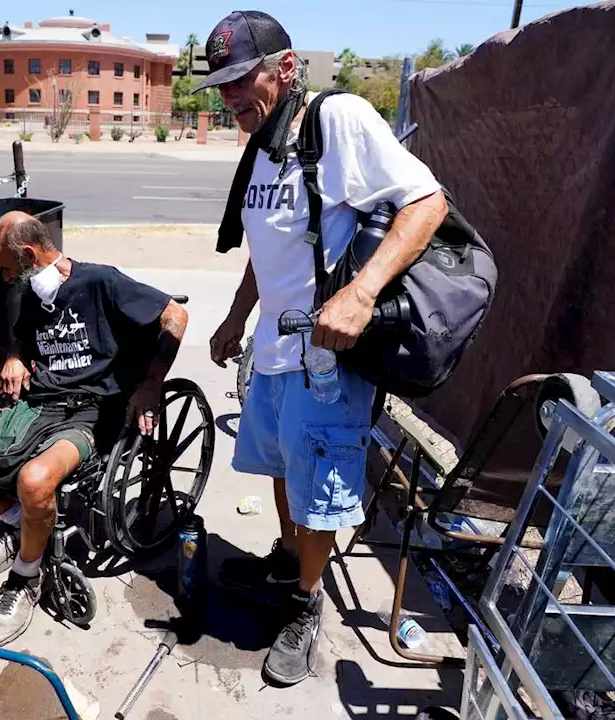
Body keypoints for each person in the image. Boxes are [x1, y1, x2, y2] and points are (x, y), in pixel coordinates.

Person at [199, 11, 448, 686]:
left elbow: (426, 203)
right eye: (217, 86)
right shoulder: (263, 138)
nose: (227, 100)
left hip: (326, 364)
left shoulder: (337, 120)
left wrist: (361, 293)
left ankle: (306, 605)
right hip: (275, 354)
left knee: (319, 491)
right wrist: (235, 318)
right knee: (284, 471)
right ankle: (287, 562)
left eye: (237, 80)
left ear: (284, 68)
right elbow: (271, 246)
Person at [0, 211, 188, 647]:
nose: (5, 278)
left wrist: (150, 385)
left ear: (27, 255)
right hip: (38, 408)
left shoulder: (100, 282)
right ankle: (14, 516)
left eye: (6, 268)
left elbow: (175, 317)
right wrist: (13, 356)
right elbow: (21, 339)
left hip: (90, 415)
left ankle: (26, 575)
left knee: (35, 477)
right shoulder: (27, 294)